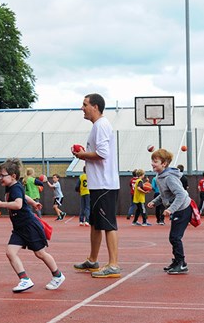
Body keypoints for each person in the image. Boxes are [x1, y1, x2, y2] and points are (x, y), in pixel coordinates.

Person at [0, 158, 65, 292]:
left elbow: (18, 204)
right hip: (19, 228)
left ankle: (58, 275)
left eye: (2, 175)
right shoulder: (13, 186)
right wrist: (33, 203)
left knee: (40, 253)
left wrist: (1, 204)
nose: (0, 178)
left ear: (13, 176)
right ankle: (25, 280)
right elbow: (24, 196)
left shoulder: (15, 188)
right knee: (10, 252)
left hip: (29, 225)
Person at [72, 93, 121, 278]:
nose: (82, 108)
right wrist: (85, 155)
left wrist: (83, 155)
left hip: (104, 184)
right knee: (95, 223)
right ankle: (93, 260)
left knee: (108, 224)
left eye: (85, 104)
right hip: (97, 184)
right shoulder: (98, 126)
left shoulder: (101, 125)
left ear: (95, 106)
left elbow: (102, 153)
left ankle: (114, 265)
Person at [147, 149, 192, 275]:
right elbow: (165, 195)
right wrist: (155, 202)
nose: (152, 163)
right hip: (177, 209)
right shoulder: (159, 176)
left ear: (164, 163)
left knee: (175, 237)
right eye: (152, 160)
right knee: (173, 237)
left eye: (155, 161)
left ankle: (181, 264)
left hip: (182, 208)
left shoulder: (170, 178)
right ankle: (177, 261)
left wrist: (170, 209)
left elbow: (181, 194)